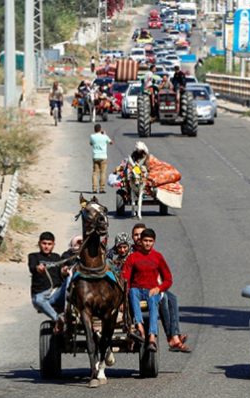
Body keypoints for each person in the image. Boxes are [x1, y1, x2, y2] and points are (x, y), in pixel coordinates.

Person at [128, 223, 189, 352]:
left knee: (170, 298)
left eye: (149, 240)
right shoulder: (129, 252)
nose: (145, 242)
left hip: (152, 288)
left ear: (153, 241)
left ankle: (166, 336)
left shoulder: (157, 256)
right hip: (137, 289)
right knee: (163, 299)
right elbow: (125, 276)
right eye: (137, 236)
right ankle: (166, 336)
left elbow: (168, 278)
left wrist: (158, 288)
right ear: (134, 237)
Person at [28, 232, 69, 334]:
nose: (46, 246)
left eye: (49, 244)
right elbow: (33, 267)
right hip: (42, 295)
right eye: (44, 243)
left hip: (57, 292)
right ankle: (57, 319)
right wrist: (39, 268)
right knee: (38, 300)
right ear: (39, 244)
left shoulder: (57, 257)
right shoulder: (34, 256)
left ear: (53, 245)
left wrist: (64, 271)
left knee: (70, 281)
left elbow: (62, 273)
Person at [90, 123, 113, 194]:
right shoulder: (104, 136)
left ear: (94, 130)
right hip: (103, 157)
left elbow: (91, 143)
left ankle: (94, 189)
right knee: (103, 173)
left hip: (95, 156)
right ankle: (101, 189)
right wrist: (105, 134)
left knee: (95, 173)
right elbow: (111, 142)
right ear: (100, 129)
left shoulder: (92, 136)